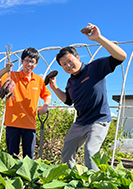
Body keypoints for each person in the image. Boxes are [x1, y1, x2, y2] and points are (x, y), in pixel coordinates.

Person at [49, 23, 127, 171]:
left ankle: (96, 186)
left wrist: (99, 38)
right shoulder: (70, 82)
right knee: (67, 150)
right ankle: (71, 179)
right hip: (81, 122)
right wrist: (55, 88)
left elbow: (121, 56)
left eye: (69, 61)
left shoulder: (95, 68)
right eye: (63, 64)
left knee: (90, 152)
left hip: (99, 120)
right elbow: (68, 100)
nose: (67, 65)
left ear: (77, 57)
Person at [0, 47, 51, 159]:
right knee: (12, 156)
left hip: (30, 123)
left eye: (33, 62)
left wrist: (45, 105)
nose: (29, 64)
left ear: (37, 64)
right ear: (22, 61)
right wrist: (6, 69)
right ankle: (12, 176)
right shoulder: (12, 76)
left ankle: (27, 177)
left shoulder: (38, 80)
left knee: (28, 157)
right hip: (12, 123)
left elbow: (47, 95)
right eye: (27, 61)